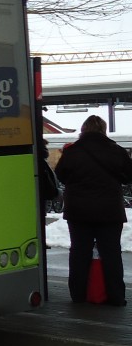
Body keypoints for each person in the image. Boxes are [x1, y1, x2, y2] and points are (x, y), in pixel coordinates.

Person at [54, 115, 132, 306]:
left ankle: (78, 295)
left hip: (79, 212)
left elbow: (60, 176)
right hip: (109, 211)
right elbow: (129, 176)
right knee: (112, 253)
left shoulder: (73, 152)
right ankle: (116, 296)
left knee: (79, 252)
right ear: (103, 130)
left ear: (83, 129)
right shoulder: (116, 151)